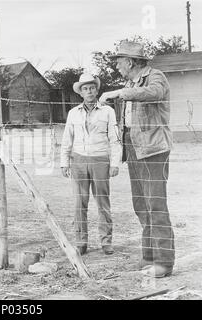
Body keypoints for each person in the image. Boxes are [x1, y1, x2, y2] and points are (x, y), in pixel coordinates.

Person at [99, 40, 174, 278]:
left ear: (130, 62)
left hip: (153, 149)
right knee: (141, 204)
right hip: (133, 148)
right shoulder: (130, 82)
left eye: (119, 61)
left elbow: (154, 93)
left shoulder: (155, 77)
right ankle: (149, 256)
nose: (117, 66)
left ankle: (163, 262)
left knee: (156, 205)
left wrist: (120, 93)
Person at [60, 73, 122, 256]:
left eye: (92, 88)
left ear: (97, 90)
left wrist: (114, 163)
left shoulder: (107, 111)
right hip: (79, 160)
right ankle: (81, 242)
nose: (89, 91)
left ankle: (106, 241)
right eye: (85, 89)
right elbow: (66, 140)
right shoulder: (73, 113)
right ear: (80, 92)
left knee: (103, 202)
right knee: (80, 202)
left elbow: (114, 139)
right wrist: (64, 163)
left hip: (100, 159)